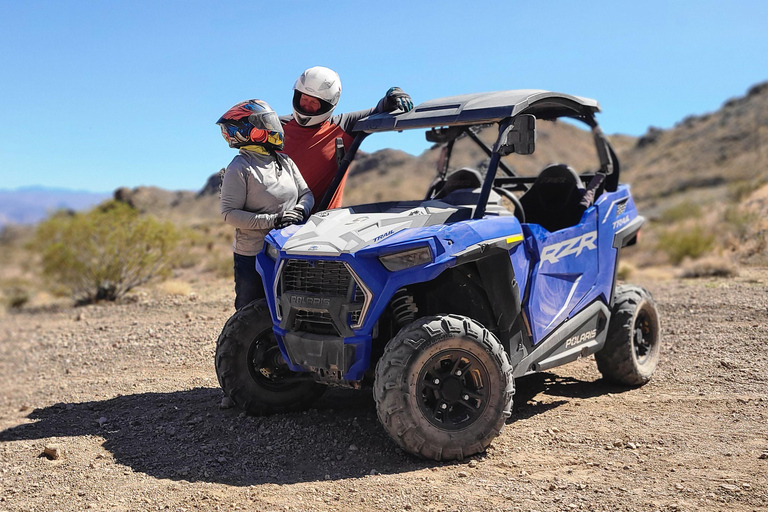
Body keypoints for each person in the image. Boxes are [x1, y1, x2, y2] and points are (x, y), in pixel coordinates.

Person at [218, 99, 314, 310]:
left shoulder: (285, 161)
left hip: (290, 248)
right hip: (255, 254)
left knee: (289, 309)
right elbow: (229, 214)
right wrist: (274, 220)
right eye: (265, 123)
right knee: (253, 310)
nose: (272, 127)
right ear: (250, 129)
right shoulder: (240, 166)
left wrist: (299, 210)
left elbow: (306, 194)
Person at [280, 66, 414, 210]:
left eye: (314, 102)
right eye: (304, 98)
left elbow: (381, 108)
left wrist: (395, 93)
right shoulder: (276, 127)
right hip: (278, 222)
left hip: (322, 225)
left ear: (327, 104)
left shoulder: (344, 125)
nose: (306, 105)